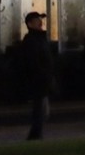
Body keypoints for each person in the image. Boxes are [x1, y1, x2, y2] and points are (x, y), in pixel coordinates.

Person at [12, 11, 57, 140]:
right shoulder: (32, 40)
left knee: (42, 110)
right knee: (41, 111)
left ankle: (35, 136)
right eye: (37, 20)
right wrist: (44, 75)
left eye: (40, 19)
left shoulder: (38, 39)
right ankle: (35, 136)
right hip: (39, 81)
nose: (40, 22)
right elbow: (34, 62)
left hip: (42, 80)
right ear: (30, 24)